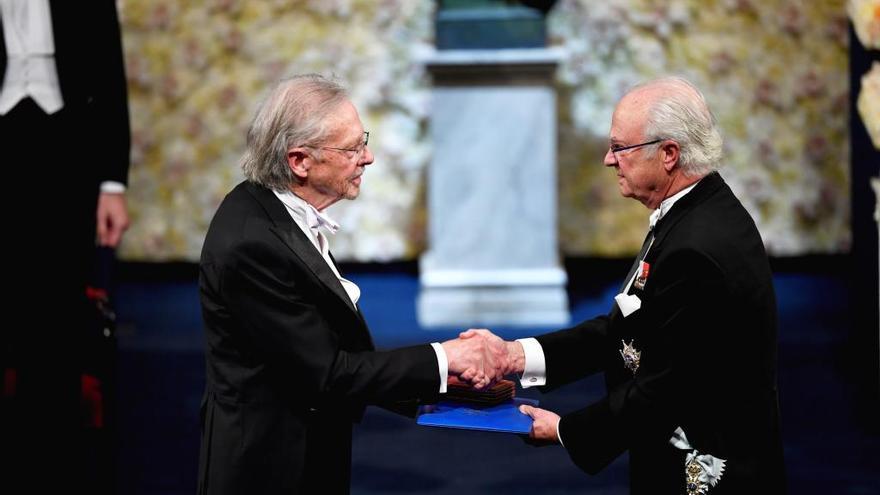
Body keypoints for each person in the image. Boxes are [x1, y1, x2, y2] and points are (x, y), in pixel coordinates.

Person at [465, 76, 785, 494]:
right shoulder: (691, 212)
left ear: (668, 153)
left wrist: (567, 430)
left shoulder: (697, 245)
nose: (608, 160)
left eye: (620, 148)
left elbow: (665, 389)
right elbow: (628, 331)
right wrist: (516, 357)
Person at [197, 74, 506, 495]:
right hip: (268, 468)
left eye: (364, 140)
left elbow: (332, 353)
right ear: (300, 161)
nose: (369, 157)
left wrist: (437, 386)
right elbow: (328, 375)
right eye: (353, 148)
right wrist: (444, 358)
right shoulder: (254, 242)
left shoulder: (277, 213)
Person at [0, 0, 130, 491]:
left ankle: (49, 460)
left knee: (56, 314)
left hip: (66, 147)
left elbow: (109, 74)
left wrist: (112, 183)